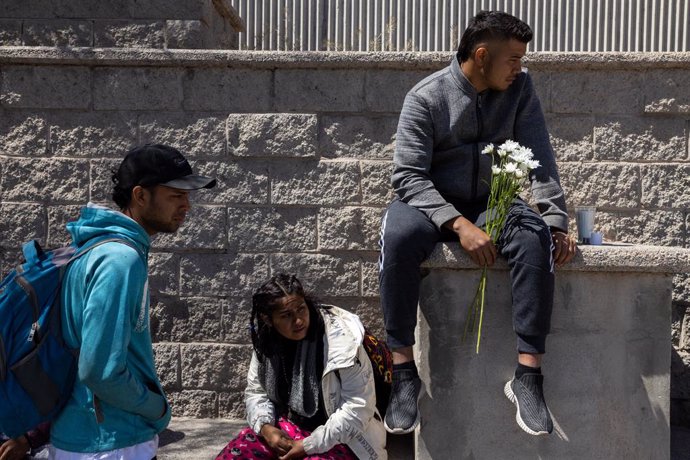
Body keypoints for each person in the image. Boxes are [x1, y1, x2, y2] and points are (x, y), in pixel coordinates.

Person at [379, 11, 577, 436]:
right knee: (397, 237)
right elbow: (407, 176)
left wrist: (556, 222)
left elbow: (539, 155)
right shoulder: (425, 97)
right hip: (428, 202)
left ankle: (527, 377)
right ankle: (403, 373)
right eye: (514, 60)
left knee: (532, 236)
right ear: (482, 55)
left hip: (493, 200)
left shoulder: (520, 90)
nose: (519, 68)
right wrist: (456, 224)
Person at [49, 144, 216, 459]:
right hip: (112, 441)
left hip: (86, 435)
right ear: (141, 195)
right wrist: (157, 409)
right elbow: (100, 370)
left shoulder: (92, 247)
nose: (187, 206)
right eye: (177, 195)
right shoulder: (119, 260)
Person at [216, 274, 387, 460]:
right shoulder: (267, 342)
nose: (298, 321)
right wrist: (266, 428)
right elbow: (256, 392)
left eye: (301, 309)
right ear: (268, 320)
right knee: (236, 455)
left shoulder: (342, 342)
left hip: (343, 439)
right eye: (287, 315)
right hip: (289, 428)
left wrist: (308, 445)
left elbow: (357, 408)